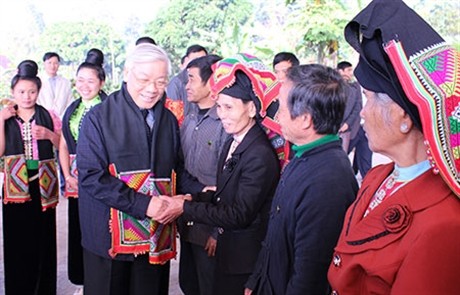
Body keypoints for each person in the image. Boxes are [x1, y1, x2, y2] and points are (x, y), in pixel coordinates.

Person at [328, 0, 460, 294]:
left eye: (370, 98)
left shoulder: (445, 223)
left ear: (403, 115)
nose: (362, 112)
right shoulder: (377, 177)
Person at [154, 53, 281, 295]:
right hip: (229, 252)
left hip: (244, 258)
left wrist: (185, 208)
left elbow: (239, 214)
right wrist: (190, 199)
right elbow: (222, 195)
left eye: (229, 107)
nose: (222, 114)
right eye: (219, 106)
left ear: (252, 108)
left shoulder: (259, 154)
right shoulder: (234, 142)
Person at [244, 64, 359, 295]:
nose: (277, 116)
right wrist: (255, 281)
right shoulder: (303, 154)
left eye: (283, 109)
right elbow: (276, 231)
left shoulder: (328, 181)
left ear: (305, 119)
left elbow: (309, 275)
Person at [76, 43, 181, 295]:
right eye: (144, 79)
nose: (152, 89)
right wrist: (144, 205)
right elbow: (92, 176)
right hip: (108, 240)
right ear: (126, 73)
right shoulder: (97, 118)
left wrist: (196, 193)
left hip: (155, 236)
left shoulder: (168, 120)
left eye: (160, 81)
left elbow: (178, 168)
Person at [0, 60, 60, 295]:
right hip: (15, 187)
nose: (27, 96)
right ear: (13, 92)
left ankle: (44, 289)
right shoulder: (6, 117)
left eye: (32, 91)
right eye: (21, 92)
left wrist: (48, 135)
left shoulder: (48, 116)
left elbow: (62, 145)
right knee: (17, 240)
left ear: (38, 91)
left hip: (43, 185)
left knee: (43, 239)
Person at [178, 54, 228, 295]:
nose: (186, 86)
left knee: (210, 286)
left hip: (211, 224)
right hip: (187, 218)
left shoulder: (224, 124)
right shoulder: (188, 120)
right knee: (189, 284)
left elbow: (230, 185)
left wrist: (218, 232)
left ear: (211, 83)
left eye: (191, 79)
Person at [59, 48, 107, 293]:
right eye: (80, 80)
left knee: (99, 227)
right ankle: (84, 280)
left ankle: (100, 280)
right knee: (78, 227)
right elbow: (64, 145)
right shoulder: (72, 109)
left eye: (91, 81)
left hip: (102, 177)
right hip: (77, 179)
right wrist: (67, 175)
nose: (85, 86)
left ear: (101, 82)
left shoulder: (110, 107)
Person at [337, 61, 373, 178]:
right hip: (349, 129)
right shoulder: (337, 86)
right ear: (340, 71)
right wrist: (346, 124)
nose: (350, 73)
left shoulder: (357, 85)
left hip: (364, 127)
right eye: (348, 70)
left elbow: (358, 106)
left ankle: (366, 184)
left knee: (366, 160)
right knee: (341, 156)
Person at [166, 44, 208, 117]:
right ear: (187, 60)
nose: (199, 64)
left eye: (203, 60)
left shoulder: (210, 79)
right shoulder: (176, 83)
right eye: (195, 61)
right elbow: (172, 113)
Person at [37, 52, 74, 118]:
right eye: (49, 63)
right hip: (43, 118)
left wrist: (62, 118)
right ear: (44, 64)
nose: (52, 66)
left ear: (59, 64)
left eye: (55, 63)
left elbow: (70, 102)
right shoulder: (37, 81)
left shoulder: (65, 82)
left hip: (62, 120)